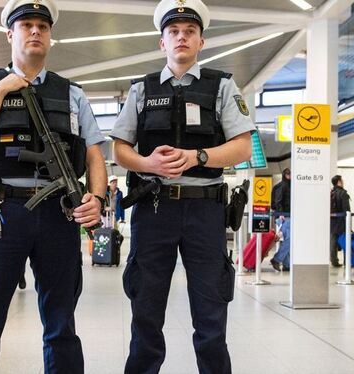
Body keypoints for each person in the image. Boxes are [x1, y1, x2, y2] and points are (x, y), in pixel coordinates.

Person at [0, 1, 107, 372]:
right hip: (1, 215)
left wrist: (97, 198)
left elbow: (94, 155)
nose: (35, 31)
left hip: (59, 215)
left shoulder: (72, 93)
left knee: (61, 323)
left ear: (50, 37)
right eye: (26, 25)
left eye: (42, 26)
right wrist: (1, 89)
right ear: (10, 34)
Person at [111, 0, 254, 372]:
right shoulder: (141, 90)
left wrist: (197, 157)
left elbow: (241, 146)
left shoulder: (221, 85)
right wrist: (146, 164)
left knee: (211, 315)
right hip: (153, 208)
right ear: (162, 43)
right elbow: (119, 148)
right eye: (173, 32)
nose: (181, 37)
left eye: (189, 32)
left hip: (204, 210)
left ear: (201, 42)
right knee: (145, 310)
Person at [330, 175, 351, 267]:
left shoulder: (331, 192)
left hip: (332, 221)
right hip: (342, 221)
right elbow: (346, 209)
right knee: (345, 241)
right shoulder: (343, 193)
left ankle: (334, 261)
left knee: (333, 242)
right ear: (339, 182)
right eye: (341, 180)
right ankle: (347, 262)